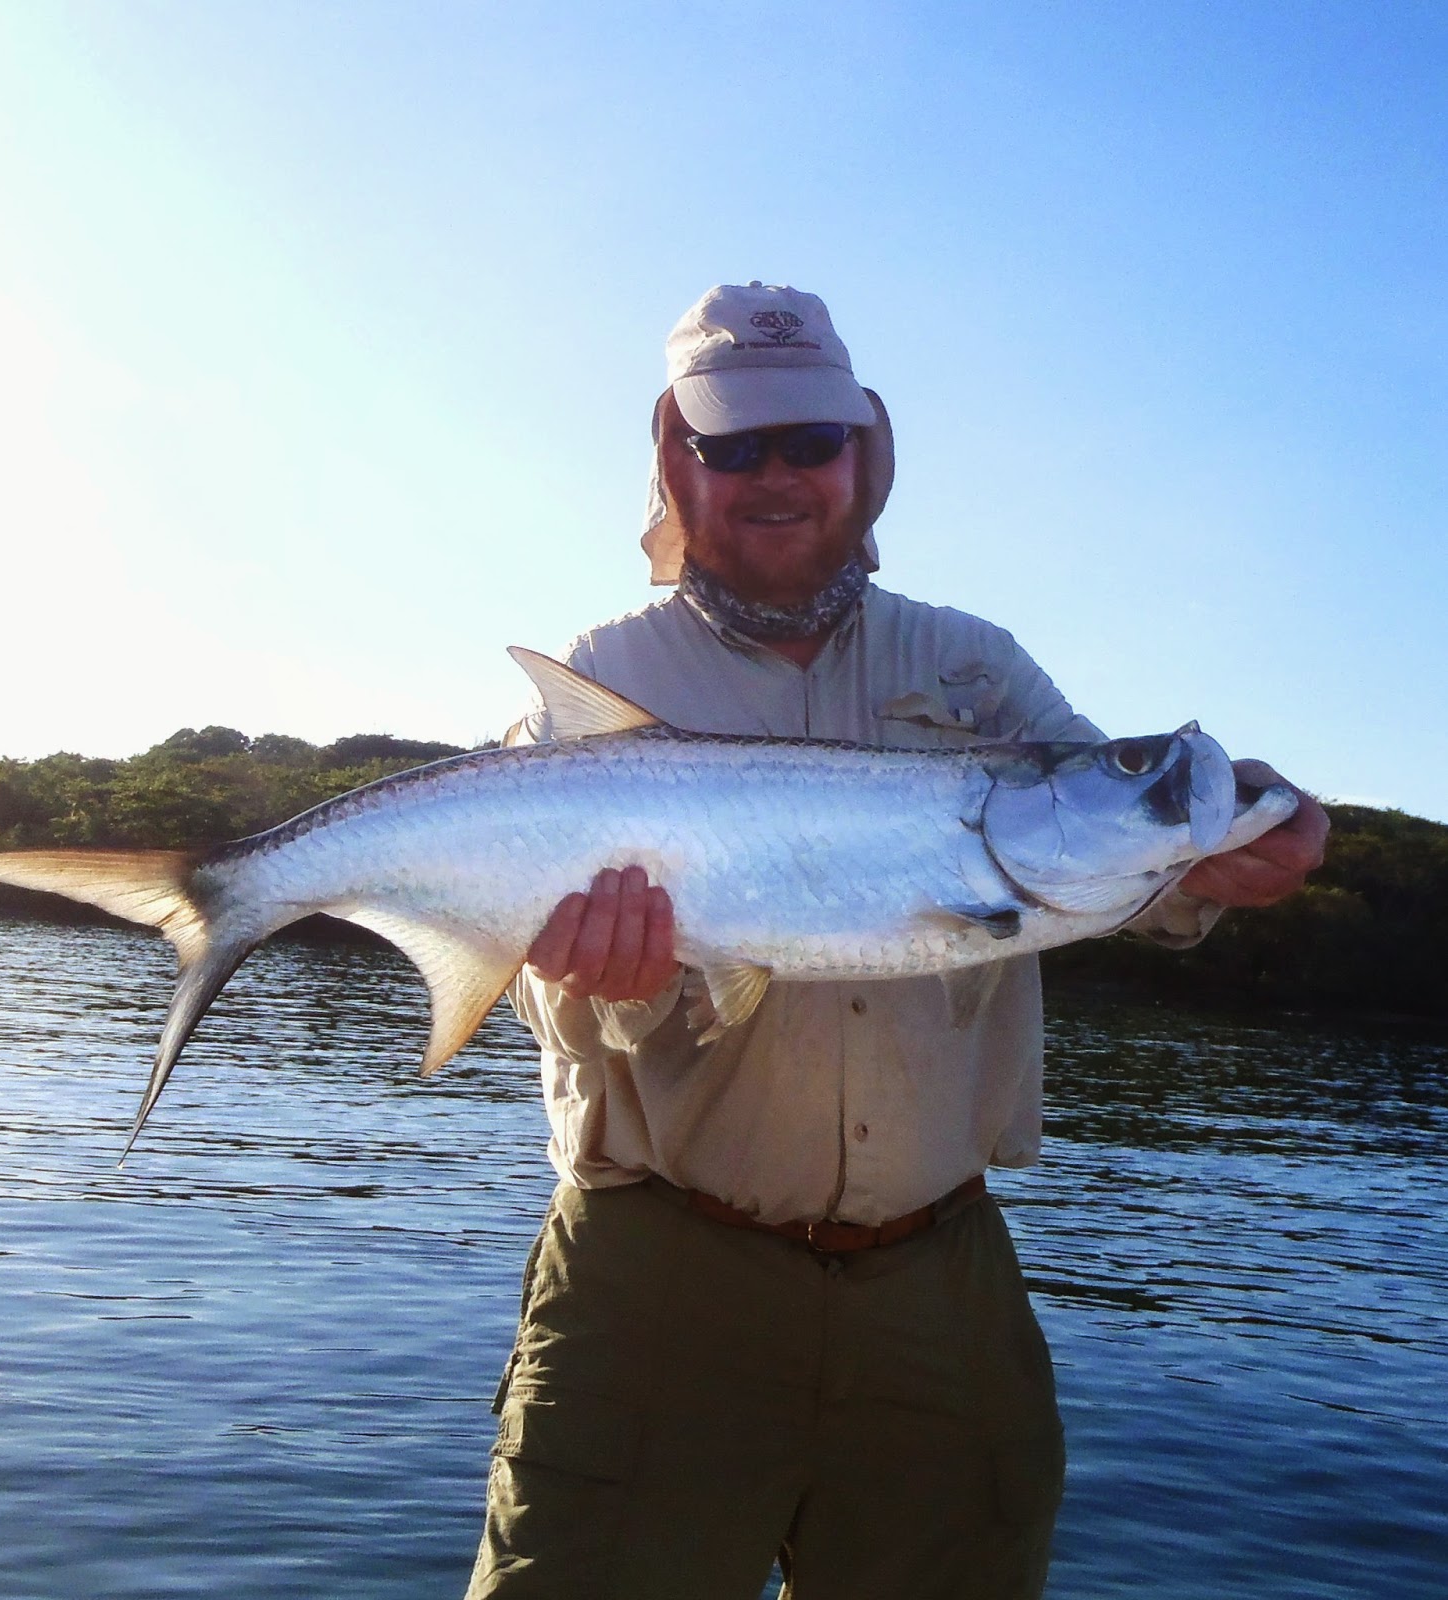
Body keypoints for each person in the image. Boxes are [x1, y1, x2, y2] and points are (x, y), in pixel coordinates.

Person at [465, 283, 1329, 1600]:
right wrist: (608, 992)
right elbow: (541, 986)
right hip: (657, 1280)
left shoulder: (980, 671)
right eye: (731, 445)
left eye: (807, 442)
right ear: (672, 464)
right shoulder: (605, 674)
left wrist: (1219, 853)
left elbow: (1098, 861)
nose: (775, 474)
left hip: (942, 1283)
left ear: (864, 455)